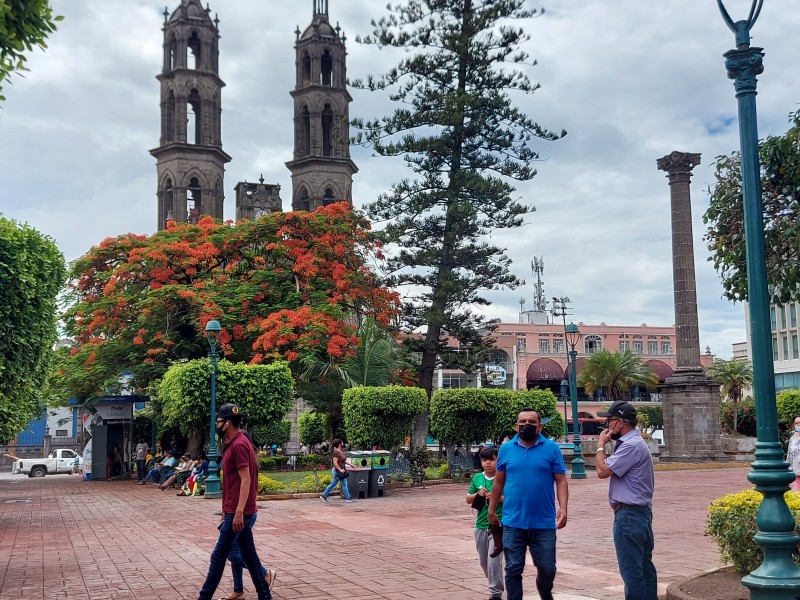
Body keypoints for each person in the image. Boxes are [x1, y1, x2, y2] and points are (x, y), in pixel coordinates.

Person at [488, 408, 568, 600]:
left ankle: (545, 592)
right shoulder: (506, 449)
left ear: (540, 426)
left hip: (544, 523)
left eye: (532, 422)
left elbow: (561, 480)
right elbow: (498, 482)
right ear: (516, 426)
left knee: (548, 568)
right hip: (513, 522)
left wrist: (563, 507)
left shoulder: (551, 448)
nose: (526, 425)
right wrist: (491, 509)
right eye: (522, 422)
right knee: (513, 569)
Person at [196, 403, 274, 600]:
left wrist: (238, 512)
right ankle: (265, 596)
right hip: (236, 510)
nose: (217, 425)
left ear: (227, 423)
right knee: (249, 556)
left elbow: (245, 479)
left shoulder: (239, 444)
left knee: (218, 557)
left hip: (240, 512)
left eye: (219, 422)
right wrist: (227, 509)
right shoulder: (233, 443)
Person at [595, 400, 657, 600]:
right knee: (644, 568)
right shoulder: (636, 443)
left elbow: (602, 471)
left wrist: (600, 446)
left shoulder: (631, 445)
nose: (607, 425)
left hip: (629, 514)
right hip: (640, 513)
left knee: (632, 572)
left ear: (619, 422)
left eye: (609, 420)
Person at [467, 445, 504, 600]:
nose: (488, 463)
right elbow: (468, 499)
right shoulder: (477, 478)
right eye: (484, 460)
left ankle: (495, 594)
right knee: (484, 561)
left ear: (498, 460)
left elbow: (513, 500)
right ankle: (495, 585)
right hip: (480, 524)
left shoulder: (503, 477)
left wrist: (495, 497)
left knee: (494, 561)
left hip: (498, 525)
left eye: (491, 460)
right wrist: (478, 494)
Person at [319, 438, 356, 503]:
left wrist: (351, 465)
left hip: (340, 470)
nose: (343, 444)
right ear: (339, 444)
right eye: (342, 443)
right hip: (337, 471)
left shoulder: (340, 451)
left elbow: (343, 461)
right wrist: (340, 470)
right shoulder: (336, 452)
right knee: (344, 483)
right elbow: (335, 462)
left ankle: (324, 496)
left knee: (334, 484)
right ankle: (348, 498)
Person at [786, 416, 800, 491]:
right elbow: (790, 454)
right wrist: (788, 468)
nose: (798, 425)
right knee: (797, 495)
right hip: (796, 471)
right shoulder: (792, 439)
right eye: (796, 423)